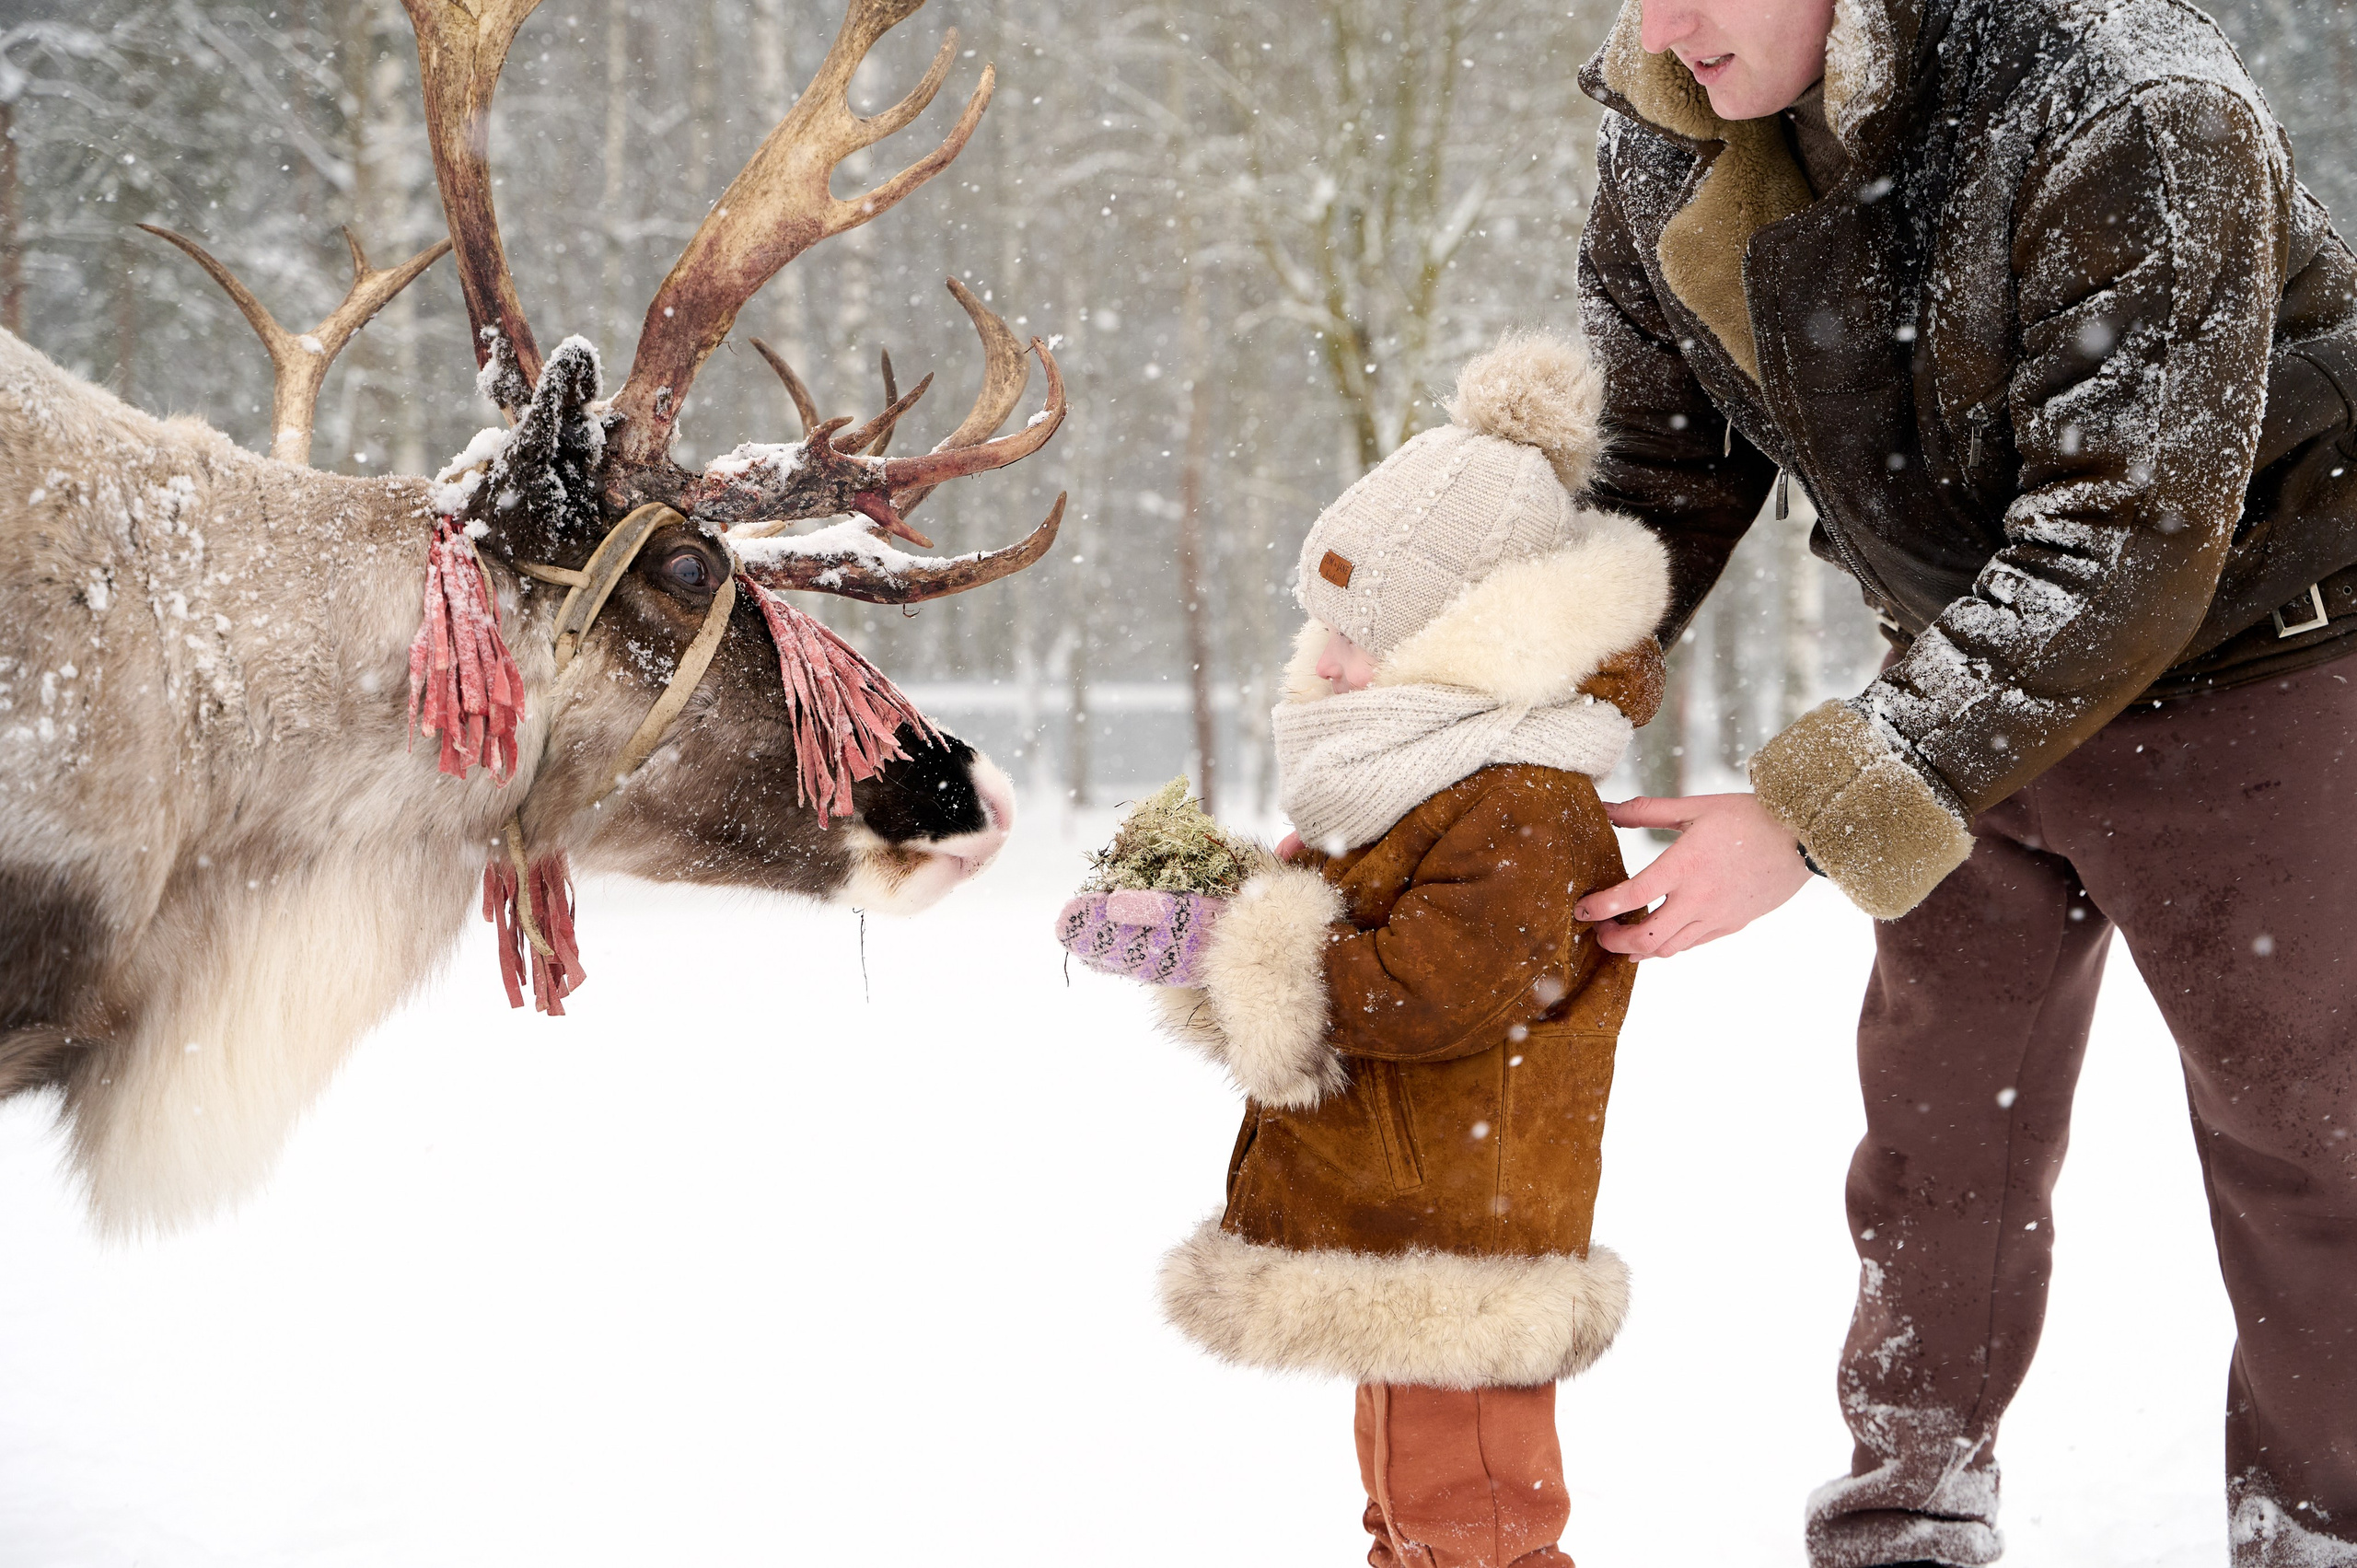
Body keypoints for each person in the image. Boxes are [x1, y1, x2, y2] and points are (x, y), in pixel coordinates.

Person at [1567, 0, 2357, 1562]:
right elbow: (1655, 471)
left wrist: (1807, 816)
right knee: (1942, 1135)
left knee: (2305, 1144)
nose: (1665, 22)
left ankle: (2320, 1525)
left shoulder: (2131, 97)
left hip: (2251, 674)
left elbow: (2122, 539)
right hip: (1964, 666)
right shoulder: (1673, 114)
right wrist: (1482, 710)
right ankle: (1908, 1513)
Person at [1058, 330, 1671, 1567]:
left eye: (1367, 636)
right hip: (1415, 1198)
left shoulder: (1517, 798)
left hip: (1470, 1217)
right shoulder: (1413, 777)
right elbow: (1355, 940)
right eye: (1325, 624)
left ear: (1469, 642)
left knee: (1478, 1514)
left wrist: (1239, 942)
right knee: (1408, 1502)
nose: (1331, 661)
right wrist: (1219, 910)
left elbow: (1428, 990)